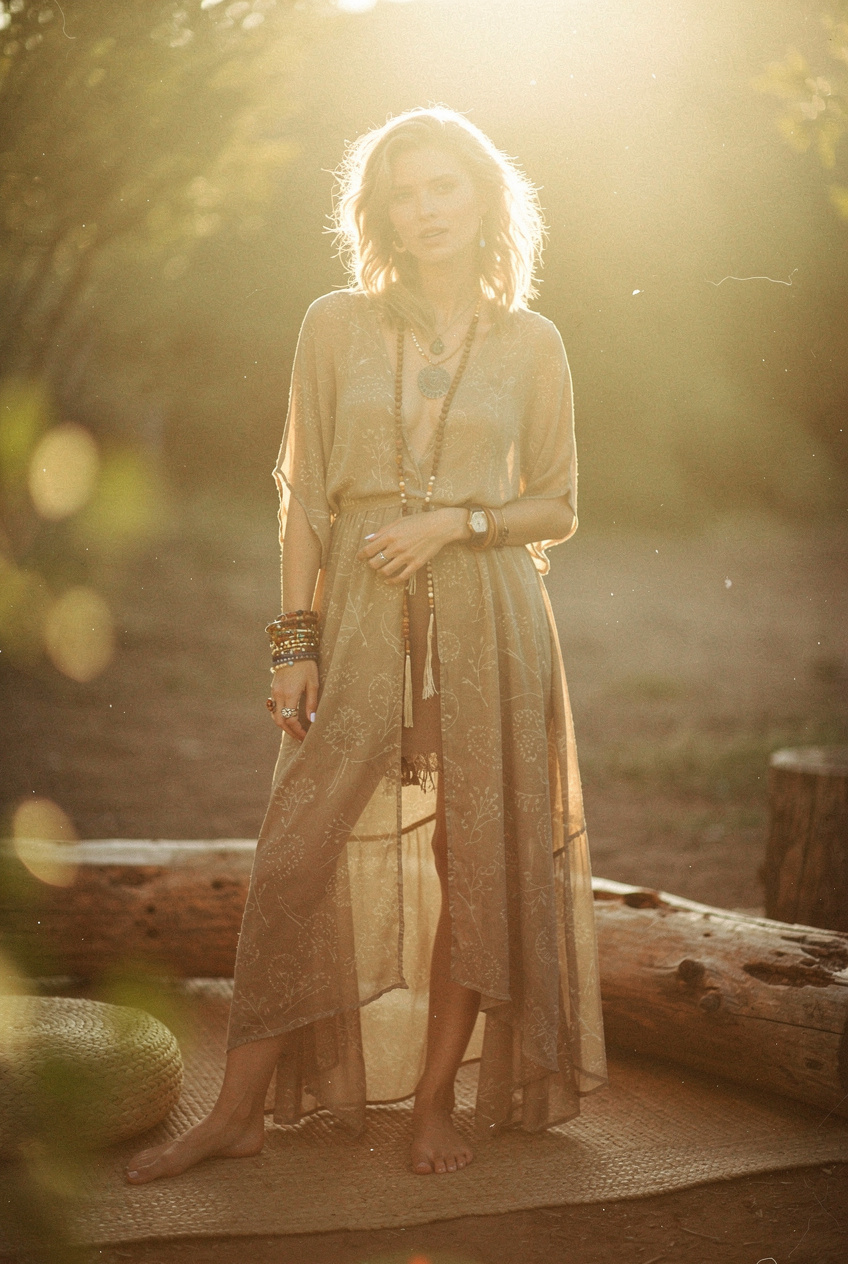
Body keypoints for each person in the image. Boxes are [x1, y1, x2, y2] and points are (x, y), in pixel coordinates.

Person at [126, 105, 606, 1184]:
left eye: (443, 187)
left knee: (470, 865)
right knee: (293, 853)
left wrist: (454, 523)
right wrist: (290, 643)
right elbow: (303, 500)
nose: (424, 209)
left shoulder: (532, 342)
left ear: (482, 198)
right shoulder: (334, 323)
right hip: (352, 623)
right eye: (404, 193)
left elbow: (558, 504)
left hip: (487, 627)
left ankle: (432, 1104)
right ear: (379, 213)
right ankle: (235, 1113)